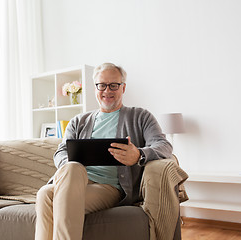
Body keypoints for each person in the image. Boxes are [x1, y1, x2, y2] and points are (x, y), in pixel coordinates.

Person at [35, 62, 173, 240]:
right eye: (102, 85)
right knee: (47, 191)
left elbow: (164, 146)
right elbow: (61, 152)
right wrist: (72, 166)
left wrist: (138, 155)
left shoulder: (140, 116)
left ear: (123, 88)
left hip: (108, 188)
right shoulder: (78, 121)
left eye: (113, 85)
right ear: (95, 88)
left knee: (49, 194)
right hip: (74, 181)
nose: (107, 90)